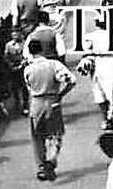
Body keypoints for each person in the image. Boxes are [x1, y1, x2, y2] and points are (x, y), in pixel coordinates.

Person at [23, 40, 76, 181]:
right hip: (53, 101)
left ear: (30, 51)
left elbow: (29, 88)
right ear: (42, 50)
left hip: (36, 103)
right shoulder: (54, 65)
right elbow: (72, 80)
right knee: (55, 134)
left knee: (37, 136)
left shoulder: (28, 69)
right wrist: (61, 94)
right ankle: (51, 160)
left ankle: (41, 166)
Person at [83, 17, 113, 131]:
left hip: (98, 61)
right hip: (111, 61)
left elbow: (87, 51)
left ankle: (106, 118)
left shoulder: (91, 36)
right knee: (111, 90)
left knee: (99, 91)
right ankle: (109, 118)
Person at [3, 27, 29, 115]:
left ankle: (25, 104)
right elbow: (6, 57)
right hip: (13, 68)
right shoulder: (9, 45)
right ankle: (17, 102)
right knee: (14, 87)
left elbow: (28, 55)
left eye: (16, 34)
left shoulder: (25, 43)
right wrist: (11, 65)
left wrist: (23, 64)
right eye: (13, 34)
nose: (15, 36)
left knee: (24, 87)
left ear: (20, 34)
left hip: (24, 67)